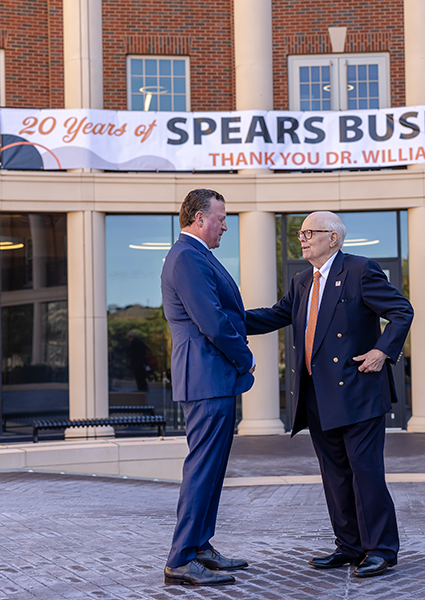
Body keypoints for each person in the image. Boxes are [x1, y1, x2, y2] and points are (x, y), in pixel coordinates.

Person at [245, 211, 413, 579]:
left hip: (358, 392)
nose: (302, 239)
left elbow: (401, 311)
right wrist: (225, 318)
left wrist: (383, 350)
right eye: (300, 233)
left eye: (309, 233)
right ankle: (350, 546)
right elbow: (276, 315)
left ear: (333, 238)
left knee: (365, 473)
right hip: (317, 395)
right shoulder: (303, 280)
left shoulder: (360, 270)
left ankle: (381, 550)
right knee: (335, 475)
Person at [161, 189, 256, 586]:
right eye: (221, 218)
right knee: (202, 469)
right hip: (205, 377)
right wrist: (245, 358)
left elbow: (226, 315)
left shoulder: (197, 256)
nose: (225, 225)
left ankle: (200, 546)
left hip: (210, 377)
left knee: (212, 469)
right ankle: (181, 558)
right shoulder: (186, 257)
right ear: (199, 218)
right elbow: (213, 322)